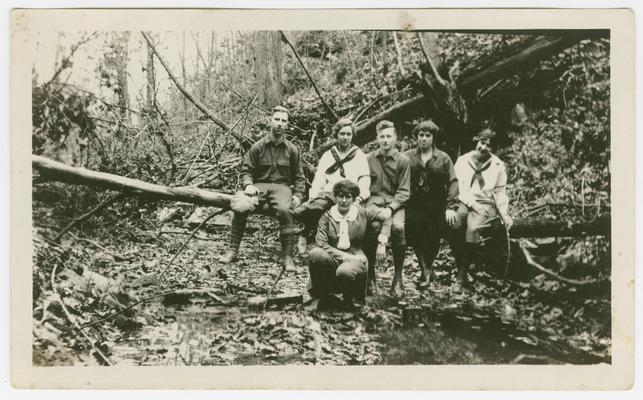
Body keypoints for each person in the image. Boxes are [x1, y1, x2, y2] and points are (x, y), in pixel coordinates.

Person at [219, 106, 306, 272]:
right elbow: (246, 171)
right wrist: (249, 185)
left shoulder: (292, 150)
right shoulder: (258, 147)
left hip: (282, 188)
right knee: (241, 205)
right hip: (259, 187)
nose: (280, 124)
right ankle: (232, 250)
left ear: (287, 125)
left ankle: (287, 257)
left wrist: (299, 195)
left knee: (285, 210)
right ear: (270, 121)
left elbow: (300, 177)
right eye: (277, 119)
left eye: (283, 121)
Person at [294, 118, 371, 254]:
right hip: (330, 193)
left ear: (352, 136)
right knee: (318, 206)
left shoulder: (359, 155)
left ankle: (347, 248)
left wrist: (359, 197)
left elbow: (364, 179)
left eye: (348, 134)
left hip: (350, 195)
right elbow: (319, 180)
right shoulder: (328, 155)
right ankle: (306, 233)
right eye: (342, 134)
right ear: (336, 135)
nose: (345, 137)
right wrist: (313, 196)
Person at [308, 180, 385, 307]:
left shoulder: (361, 212)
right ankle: (320, 295)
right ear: (336, 197)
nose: (344, 200)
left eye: (348, 197)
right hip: (333, 255)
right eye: (340, 196)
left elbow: (385, 216)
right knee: (315, 253)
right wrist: (345, 257)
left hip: (356, 255)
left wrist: (383, 240)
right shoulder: (327, 216)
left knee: (345, 270)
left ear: (354, 199)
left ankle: (350, 300)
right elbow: (321, 244)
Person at [403, 120, 460, 288]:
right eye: (421, 135)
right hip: (414, 202)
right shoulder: (407, 156)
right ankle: (426, 272)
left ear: (433, 138)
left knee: (435, 235)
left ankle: (426, 269)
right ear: (416, 137)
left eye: (428, 136)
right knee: (414, 230)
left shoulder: (443, 158)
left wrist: (451, 206)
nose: (424, 139)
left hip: (437, 202)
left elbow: (453, 182)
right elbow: (399, 179)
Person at [453, 128, 513, 285]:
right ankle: (461, 264)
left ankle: (461, 274)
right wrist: (472, 204)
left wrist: (504, 213)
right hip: (464, 199)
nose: (484, 148)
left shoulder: (498, 166)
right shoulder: (463, 161)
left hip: (486, 203)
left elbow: (500, 191)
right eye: (482, 143)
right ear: (477, 142)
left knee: (473, 229)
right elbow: (458, 187)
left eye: (489, 146)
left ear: (494, 149)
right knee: (456, 223)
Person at [364, 120, 411, 296]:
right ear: (377, 138)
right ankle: (370, 277)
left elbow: (404, 192)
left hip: (395, 203)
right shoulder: (368, 159)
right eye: (382, 136)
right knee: (373, 227)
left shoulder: (403, 161)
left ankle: (398, 279)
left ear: (395, 138)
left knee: (398, 228)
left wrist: (390, 209)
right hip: (374, 201)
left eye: (389, 136)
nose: (385, 140)